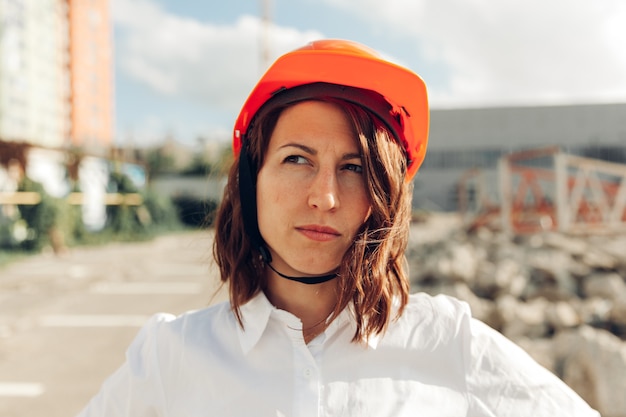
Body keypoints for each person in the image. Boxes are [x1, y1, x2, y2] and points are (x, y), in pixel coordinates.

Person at [77, 39, 599, 417]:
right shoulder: (172, 356)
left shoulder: (448, 343)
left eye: (353, 169)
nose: (324, 197)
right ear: (250, 181)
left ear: (384, 199)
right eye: (297, 159)